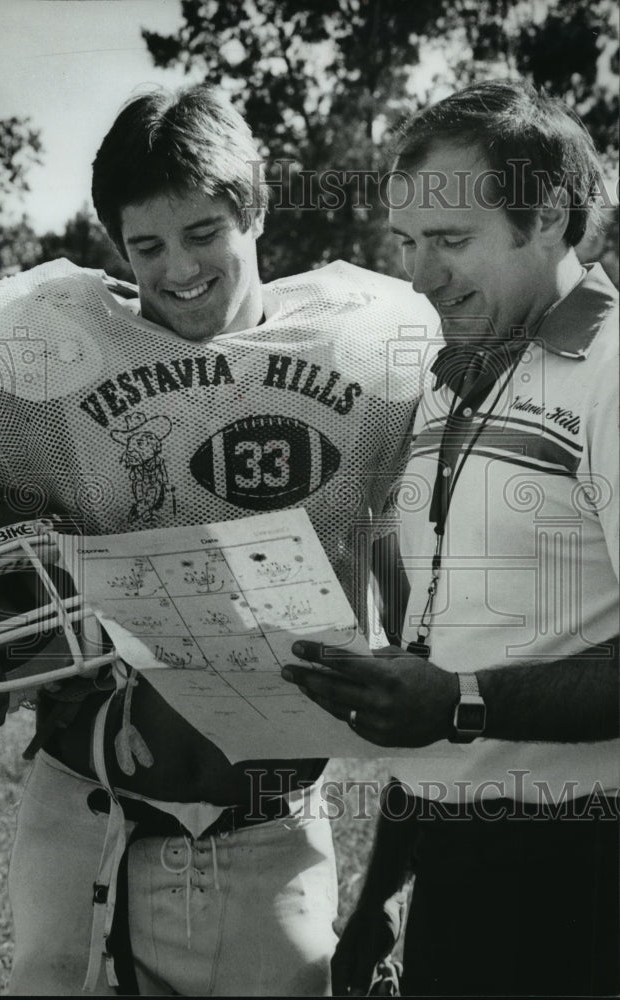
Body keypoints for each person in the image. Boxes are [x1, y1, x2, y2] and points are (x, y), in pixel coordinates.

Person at [0, 85, 437, 996]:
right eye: (146, 247)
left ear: (254, 212)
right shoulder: (51, 350)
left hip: (268, 824)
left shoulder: (371, 340)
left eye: (203, 233)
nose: (177, 269)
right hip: (84, 806)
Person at [283, 80, 620, 996]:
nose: (420, 277)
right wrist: (381, 894)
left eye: (450, 242)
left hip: (587, 874)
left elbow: (454, 692)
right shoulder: (446, 379)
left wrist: (462, 701)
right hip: (451, 864)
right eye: (407, 244)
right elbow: (441, 657)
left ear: (547, 216)